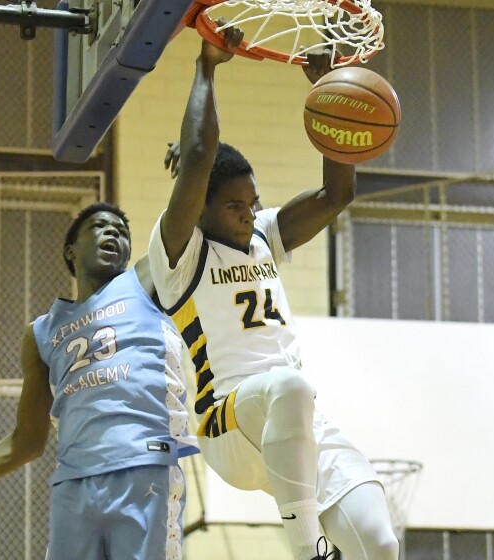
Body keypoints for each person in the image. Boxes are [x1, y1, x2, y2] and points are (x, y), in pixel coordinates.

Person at [147, 26, 399, 560]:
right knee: (288, 386)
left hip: (294, 420)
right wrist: (207, 66)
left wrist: (330, 92)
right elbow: (198, 154)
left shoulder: (264, 234)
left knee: (379, 542)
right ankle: (309, 552)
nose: (247, 213)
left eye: (252, 201)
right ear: (203, 209)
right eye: (235, 205)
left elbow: (338, 193)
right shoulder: (179, 253)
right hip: (227, 423)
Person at [0, 202, 196, 560]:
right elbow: (27, 441)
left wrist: (196, 147)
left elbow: (186, 211)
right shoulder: (41, 332)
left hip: (143, 469)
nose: (113, 232)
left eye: (122, 231)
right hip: (74, 483)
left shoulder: (143, 283)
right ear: (71, 250)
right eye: (99, 226)